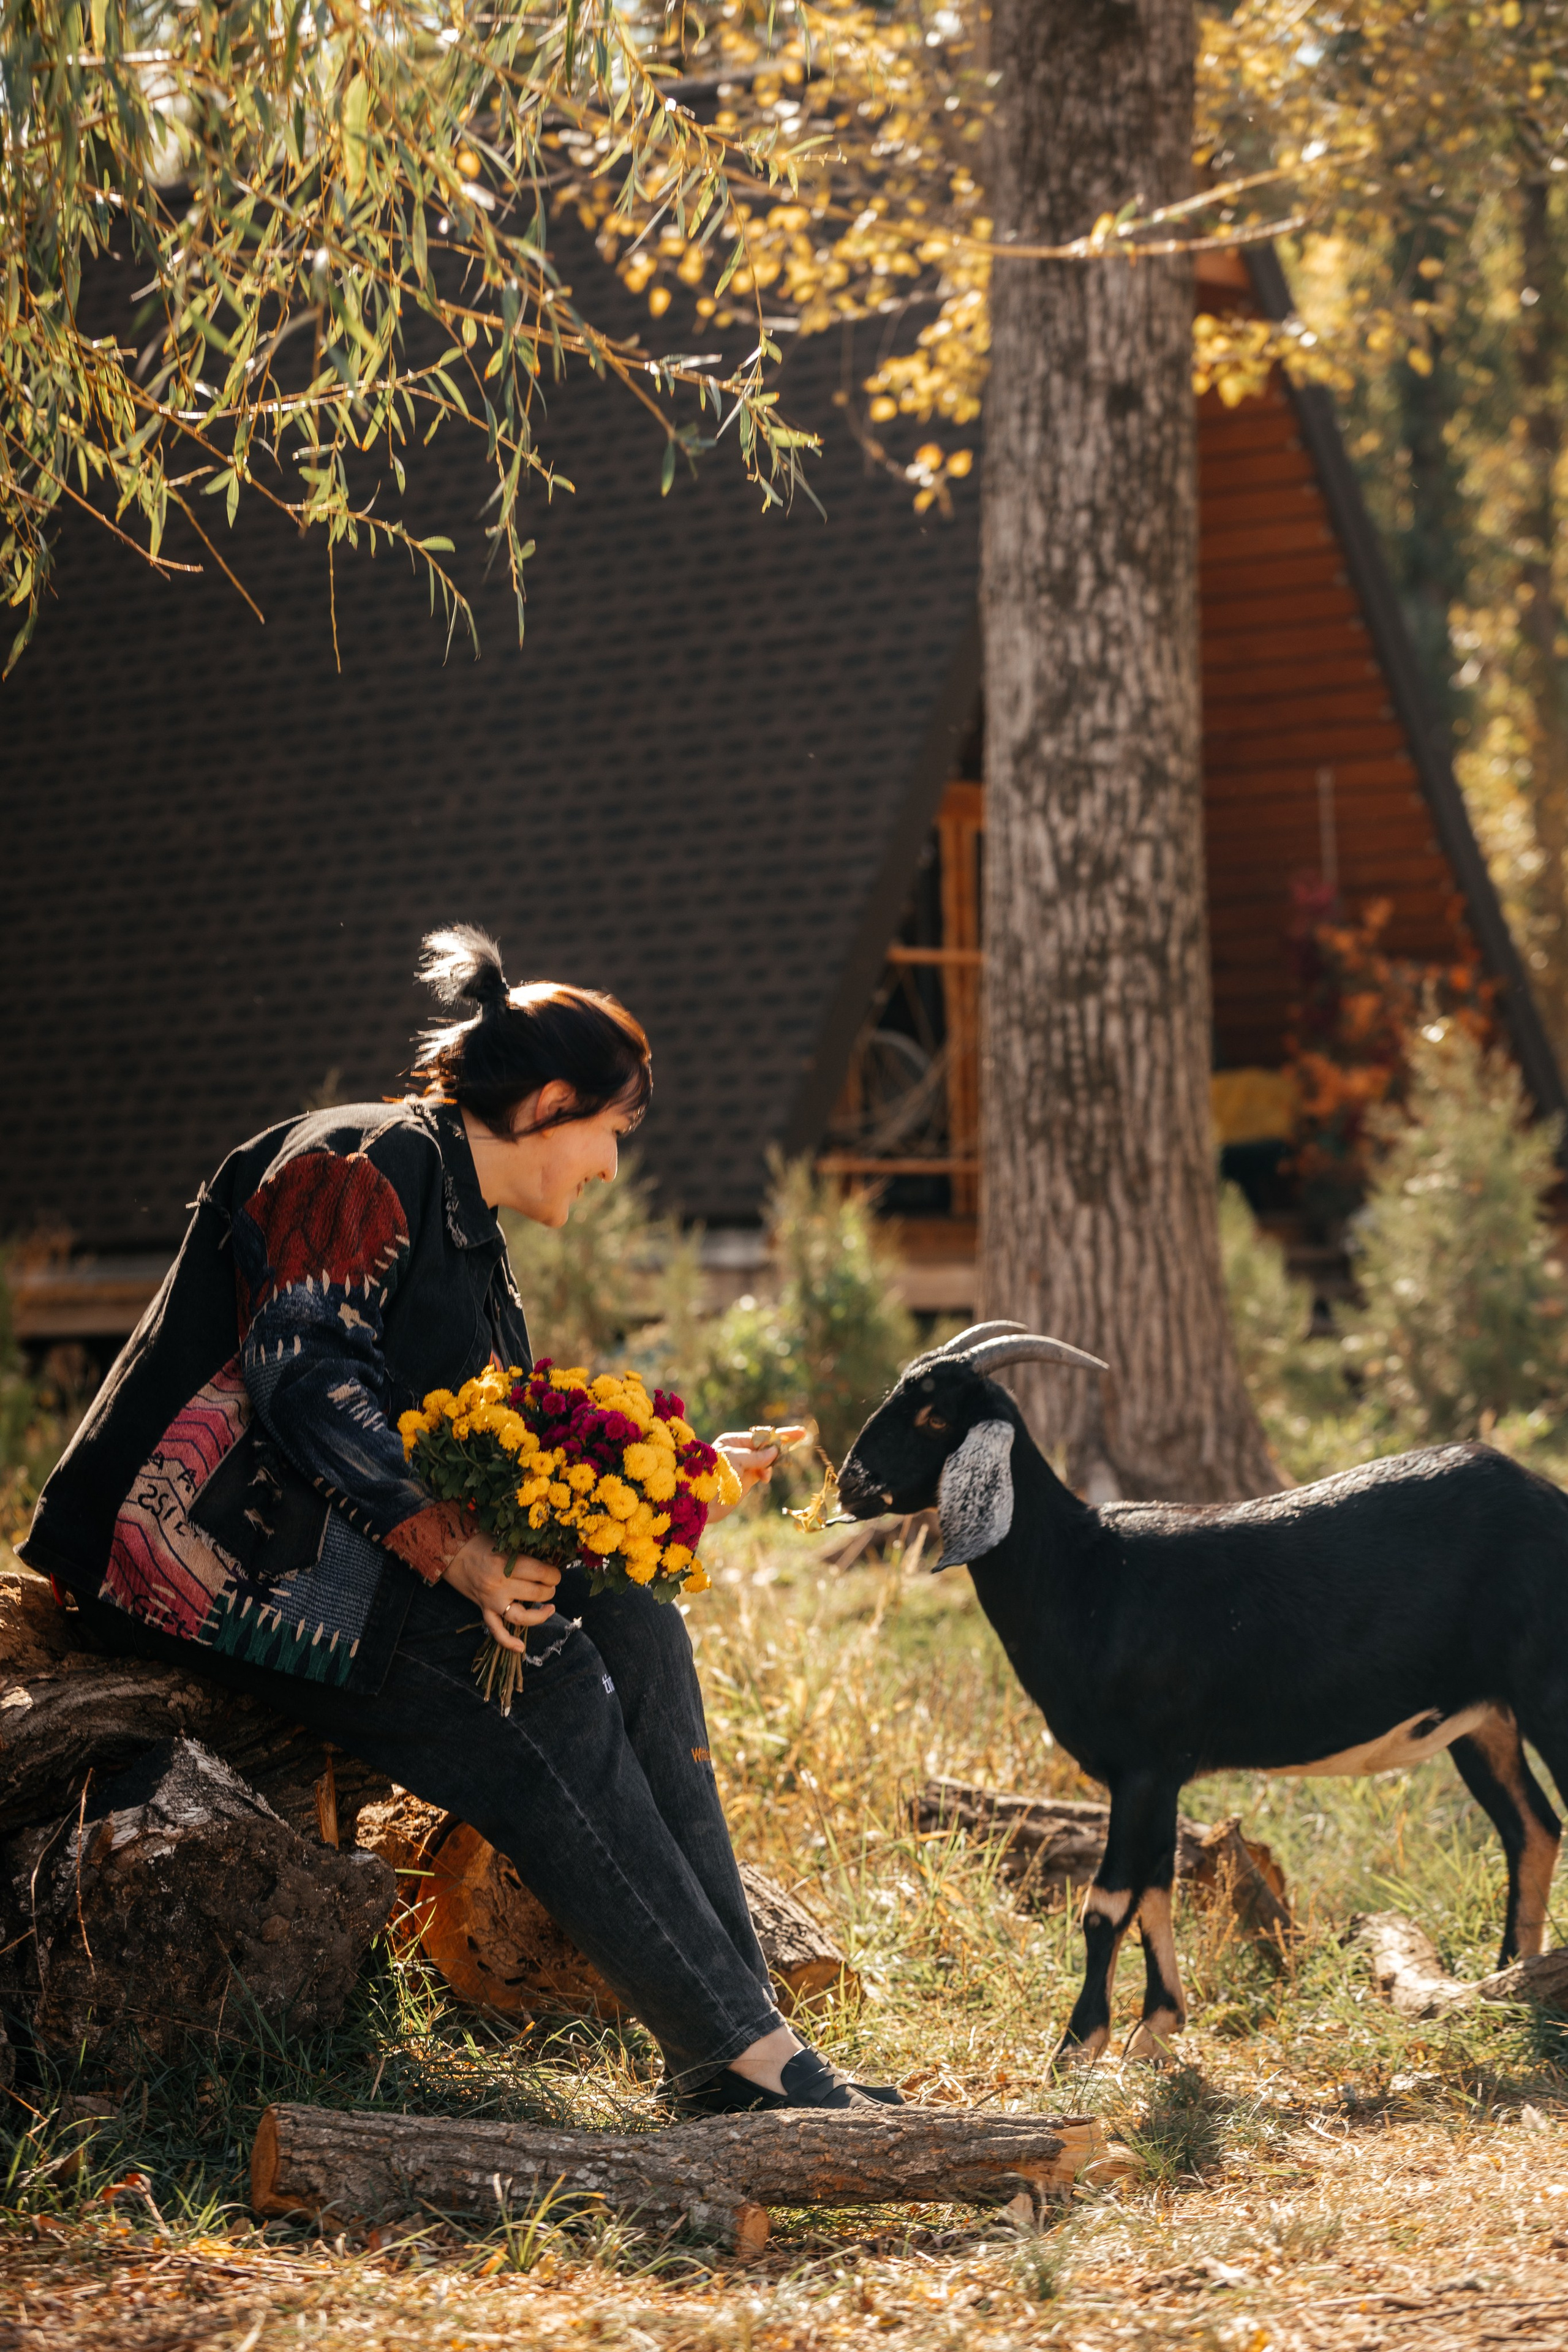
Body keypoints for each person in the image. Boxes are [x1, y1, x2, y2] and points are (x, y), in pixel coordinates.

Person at [21, 925, 896, 2113]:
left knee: (632, 1622)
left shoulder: (477, 1246)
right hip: (207, 1565)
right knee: (544, 1677)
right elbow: (302, 1374)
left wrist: (677, 1476)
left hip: (340, 1548)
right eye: (608, 1132)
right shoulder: (363, 1163)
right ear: (545, 1104)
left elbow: (507, 1465)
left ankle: (740, 2038)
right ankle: (732, 2052)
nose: (608, 1168)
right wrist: (456, 1552)